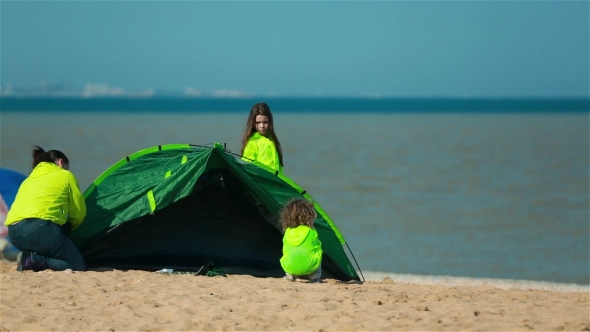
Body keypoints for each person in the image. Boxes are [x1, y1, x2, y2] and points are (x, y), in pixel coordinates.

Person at [5, 146, 87, 272]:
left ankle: (32, 257)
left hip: (14, 234)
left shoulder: (30, 178)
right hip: (38, 228)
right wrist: (75, 229)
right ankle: (33, 260)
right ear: (60, 162)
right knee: (78, 265)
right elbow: (78, 212)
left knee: (58, 228)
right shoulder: (65, 175)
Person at [279, 198, 323, 283]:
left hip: (290, 266)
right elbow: (317, 245)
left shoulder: (287, 231)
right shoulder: (311, 231)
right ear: (308, 217)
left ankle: (290, 276)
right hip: (311, 266)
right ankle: (315, 278)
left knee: (288, 252)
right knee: (318, 251)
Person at [240, 102, 285, 174]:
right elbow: (247, 166)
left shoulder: (272, 140)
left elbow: (279, 169)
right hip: (260, 183)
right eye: (258, 122)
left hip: (274, 183)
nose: (262, 126)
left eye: (265, 122)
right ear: (252, 123)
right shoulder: (252, 142)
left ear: (270, 122)